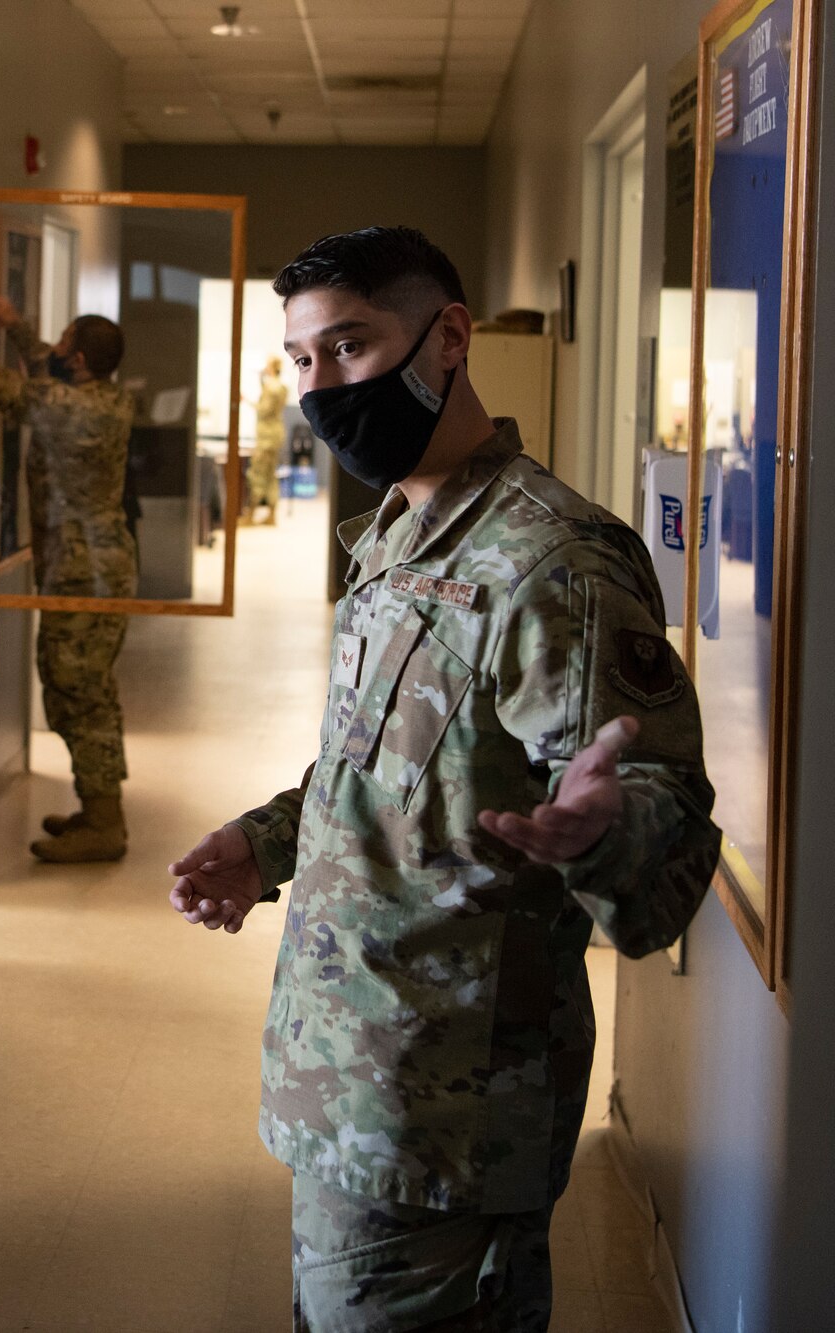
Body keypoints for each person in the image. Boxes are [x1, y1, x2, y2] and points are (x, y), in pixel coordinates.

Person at [165, 227, 719, 1332]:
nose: (321, 388)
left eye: (350, 347)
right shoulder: (397, 534)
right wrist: (269, 839)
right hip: (347, 1074)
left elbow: (657, 808)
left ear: (447, 339)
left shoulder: (551, 560)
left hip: (444, 1111)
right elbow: (385, 764)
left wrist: (600, 828)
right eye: (300, 360)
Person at [0, 299, 136, 862]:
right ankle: (98, 809)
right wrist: (17, 327)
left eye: (63, 345)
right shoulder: (102, 395)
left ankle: (106, 824)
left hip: (87, 571)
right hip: (91, 564)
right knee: (81, 686)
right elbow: (45, 366)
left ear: (80, 360)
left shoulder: (68, 406)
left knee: (78, 690)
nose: (54, 352)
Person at [250, 356, 288, 523]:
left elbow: (264, 410)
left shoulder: (271, 388)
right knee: (271, 475)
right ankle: (271, 514)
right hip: (275, 435)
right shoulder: (281, 387)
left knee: (257, 474)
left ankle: (250, 514)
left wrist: (246, 401)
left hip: (266, 437)